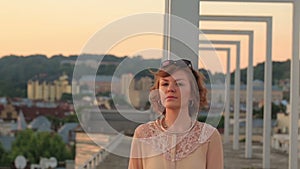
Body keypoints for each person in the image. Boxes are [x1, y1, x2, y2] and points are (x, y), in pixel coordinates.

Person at [128, 59, 224, 169]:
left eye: (179, 84)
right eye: (165, 84)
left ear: (193, 93)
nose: (170, 89)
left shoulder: (210, 137)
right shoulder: (143, 134)